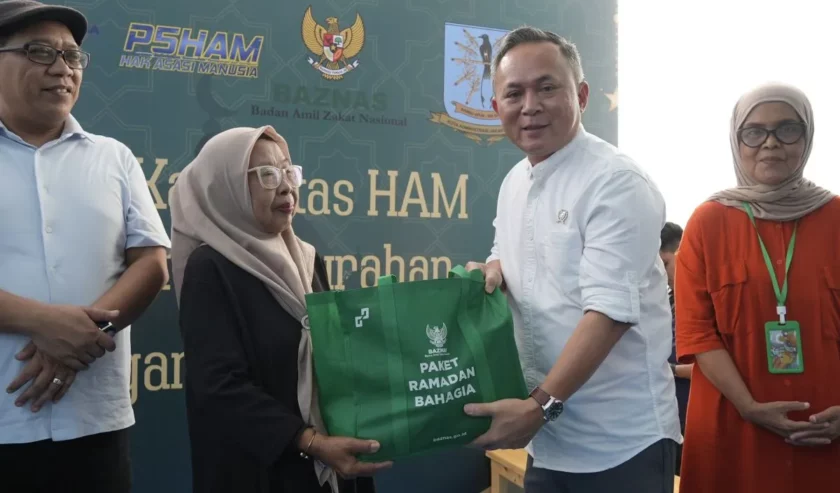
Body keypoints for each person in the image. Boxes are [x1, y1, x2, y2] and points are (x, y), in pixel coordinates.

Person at [462, 26, 681, 492]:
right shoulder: (514, 182)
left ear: (581, 95)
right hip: (548, 440)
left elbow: (609, 313)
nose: (530, 106)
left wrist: (540, 405)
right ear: (496, 106)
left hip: (621, 445)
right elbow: (506, 254)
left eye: (547, 88)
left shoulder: (616, 182)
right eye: (514, 93)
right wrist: (493, 271)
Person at [0, 1, 171, 491]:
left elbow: (151, 263)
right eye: (39, 52)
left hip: (95, 421)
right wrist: (44, 323)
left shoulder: (114, 157)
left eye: (72, 56)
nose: (62, 69)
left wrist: (84, 337)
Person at [169, 125, 392, 493]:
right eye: (268, 175)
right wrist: (310, 442)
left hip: (329, 466)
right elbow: (218, 387)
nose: (287, 187)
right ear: (227, 187)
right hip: (259, 470)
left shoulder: (307, 259)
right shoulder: (210, 268)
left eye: (289, 171)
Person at [675, 82, 840, 493]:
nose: (770, 143)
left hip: (826, 428)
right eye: (754, 132)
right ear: (737, 141)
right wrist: (749, 407)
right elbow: (697, 332)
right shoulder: (707, 223)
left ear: (808, 136)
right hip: (732, 425)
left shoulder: (836, 218)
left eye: (787, 129)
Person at [660, 221, 691, 475]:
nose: (662, 273)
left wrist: (670, 370)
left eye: (666, 263)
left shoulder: (706, 303)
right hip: (670, 417)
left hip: (694, 414)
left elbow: (711, 366)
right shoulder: (666, 300)